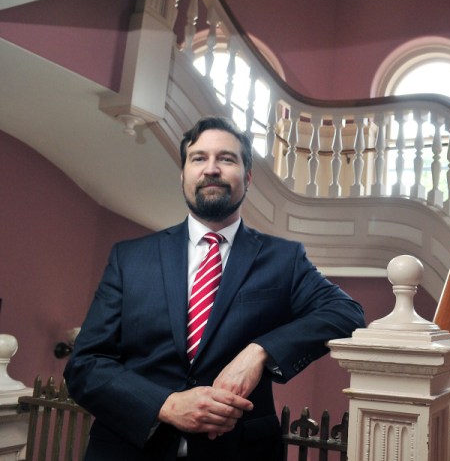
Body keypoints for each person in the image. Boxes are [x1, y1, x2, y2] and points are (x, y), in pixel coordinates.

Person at [64, 116, 366, 461]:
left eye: (226, 158)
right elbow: (85, 365)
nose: (211, 169)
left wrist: (258, 352)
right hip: (129, 450)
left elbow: (347, 313)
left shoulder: (284, 259)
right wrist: (166, 404)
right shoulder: (129, 258)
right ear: (183, 177)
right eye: (199, 158)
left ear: (247, 177)